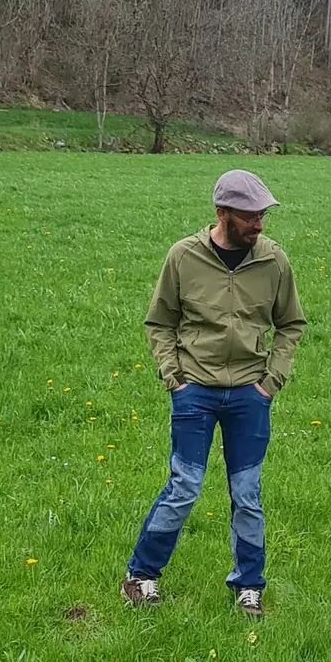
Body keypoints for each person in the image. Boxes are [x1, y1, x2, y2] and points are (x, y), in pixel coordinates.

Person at [123, 169, 306, 618]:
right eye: (250, 216)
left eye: (263, 215)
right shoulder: (183, 258)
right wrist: (175, 378)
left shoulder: (274, 261)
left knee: (248, 494)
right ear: (222, 213)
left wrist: (271, 382)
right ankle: (141, 576)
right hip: (195, 393)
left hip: (250, 395)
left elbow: (291, 325)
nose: (259, 225)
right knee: (183, 488)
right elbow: (159, 322)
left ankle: (249, 586)